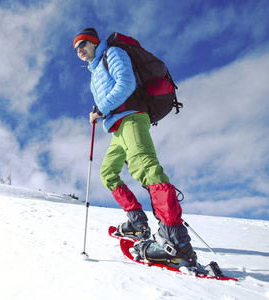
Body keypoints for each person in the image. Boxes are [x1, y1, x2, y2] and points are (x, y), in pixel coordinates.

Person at [73, 28, 197, 267]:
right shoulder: (95, 71)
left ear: (95, 42)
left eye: (83, 44)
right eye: (76, 48)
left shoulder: (113, 53)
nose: (79, 50)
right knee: (108, 173)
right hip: (117, 127)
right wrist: (98, 111)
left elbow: (126, 84)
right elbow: (107, 96)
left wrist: (101, 109)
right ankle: (137, 222)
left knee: (145, 168)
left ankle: (175, 242)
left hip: (131, 117)